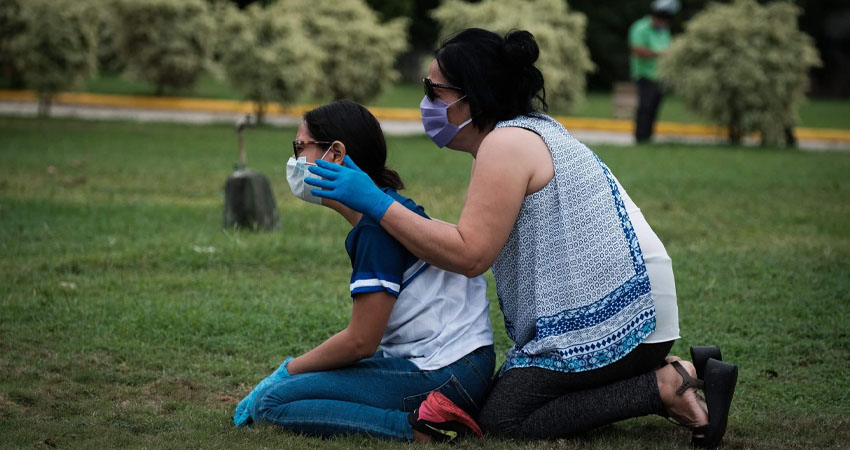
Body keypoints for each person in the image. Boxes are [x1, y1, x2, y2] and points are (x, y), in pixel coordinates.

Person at [305, 29, 738, 447]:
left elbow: (470, 255)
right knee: (512, 396)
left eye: (434, 90)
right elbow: (468, 240)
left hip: (624, 313)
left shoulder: (505, 145)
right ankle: (672, 372)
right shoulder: (528, 131)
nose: (426, 102)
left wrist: (373, 200)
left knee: (504, 420)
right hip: (641, 303)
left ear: (473, 96)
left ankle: (665, 385)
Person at [233, 100, 495, 443]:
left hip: (446, 376)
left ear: (335, 154)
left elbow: (361, 342)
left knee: (272, 402)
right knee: (299, 387)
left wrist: (286, 370)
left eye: (300, 147)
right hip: (465, 368)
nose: (294, 160)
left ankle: (419, 430)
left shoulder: (375, 228)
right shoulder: (388, 209)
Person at [630, 0, 679, 143]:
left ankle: (649, 136)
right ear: (656, 17)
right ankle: (640, 136)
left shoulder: (664, 30)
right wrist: (661, 55)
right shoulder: (640, 28)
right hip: (645, 75)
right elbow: (637, 50)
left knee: (654, 107)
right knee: (645, 106)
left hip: (660, 76)